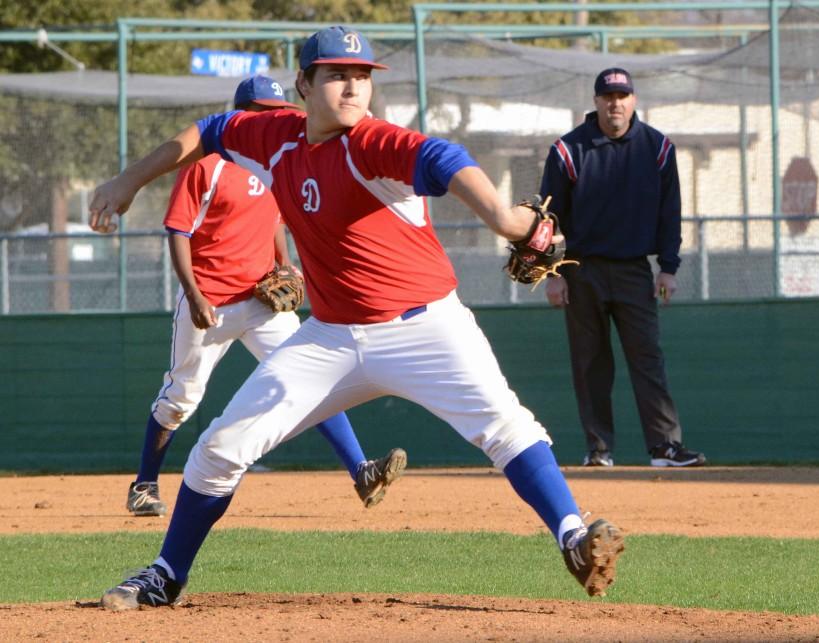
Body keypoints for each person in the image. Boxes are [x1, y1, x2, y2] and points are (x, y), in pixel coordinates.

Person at [89, 26, 624, 610]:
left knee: (506, 426)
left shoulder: (372, 143)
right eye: (338, 74)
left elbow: (443, 158)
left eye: (363, 75)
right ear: (303, 83)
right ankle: (166, 573)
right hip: (332, 337)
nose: (353, 87)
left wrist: (502, 216)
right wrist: (127, 181)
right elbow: (208, 132)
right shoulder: (275, 136)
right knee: (219, 448)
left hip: (426, 329)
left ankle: (573, 537)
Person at [126, 74, 406, 518]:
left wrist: (284, 261)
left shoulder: (276, 161)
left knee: (309, 379)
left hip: (262, 300)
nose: (272, 121)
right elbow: (178, 232)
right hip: (211, 301)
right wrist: (194, 295)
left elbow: (276, 216)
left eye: (277, 113)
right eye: (262, 113)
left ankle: (361, 471)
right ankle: (144, 485)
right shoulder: (206, 164)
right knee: (181, 397)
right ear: (239, 116)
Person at [539, 67, 706, 469]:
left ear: (634, 100)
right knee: (591, 362)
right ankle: (599, 450)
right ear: (595, 102)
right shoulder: (568, 150)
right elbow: (547, 218)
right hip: (581, 271)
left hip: (634, 268)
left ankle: (665, 447)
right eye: (608, 97)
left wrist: (668, 268)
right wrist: (553, 272)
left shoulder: (657, 148)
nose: (615, 103)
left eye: (623, 96)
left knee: (647, 358)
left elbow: (671, 213)